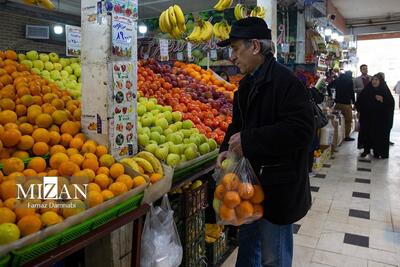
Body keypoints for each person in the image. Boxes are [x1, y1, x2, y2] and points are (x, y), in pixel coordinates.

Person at [216, 17, 314, 267]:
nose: (233, 57)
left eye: (236, 49)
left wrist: (248, 140)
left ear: (255, 47)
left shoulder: (286, 82)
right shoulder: (246, 85)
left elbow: (301, 131)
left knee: (274, 256)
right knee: (248, 249)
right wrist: (227, 147)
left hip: (278, 188)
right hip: (249, 186)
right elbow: (237, 124)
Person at [356, 74, 395, 159]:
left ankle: (378, 152)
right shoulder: (367, 89)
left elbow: (391, 103)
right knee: (367, 133)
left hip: (380, 120)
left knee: (378, 135)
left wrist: (383, 100)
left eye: (376, 80)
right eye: (373, 79)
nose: (374, 81)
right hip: (367, 118)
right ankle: (366, 150)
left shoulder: (384, 90)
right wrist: (359, 110)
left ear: (380, 81)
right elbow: (359, 101)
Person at [327, 71, 356, 141]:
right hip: (346, 104)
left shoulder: (338, 79)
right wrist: (354, 102)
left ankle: (336, 137)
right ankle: (346, 136)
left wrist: (330, 95)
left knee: (338, 120)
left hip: (338, 104)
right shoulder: (350, 80)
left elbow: (328, 86)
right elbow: (352, 92)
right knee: (348, 121)